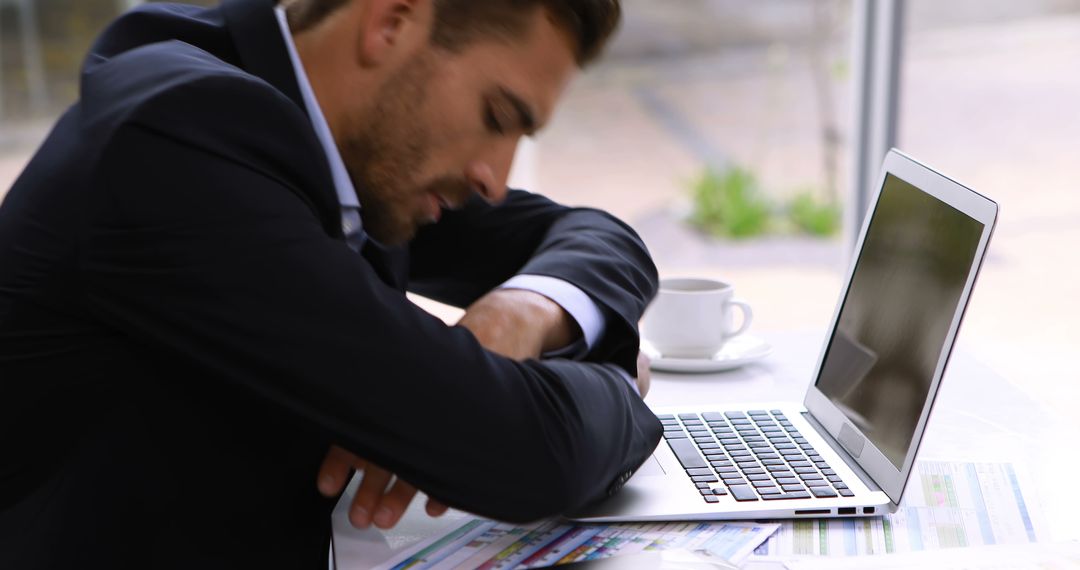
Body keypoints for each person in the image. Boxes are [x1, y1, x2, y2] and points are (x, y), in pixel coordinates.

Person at [0, 0, 662, 567]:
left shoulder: (339, 141)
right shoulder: (180, 145)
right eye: (496, 115)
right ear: (391, 22)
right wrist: (619, 387)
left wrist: (522, 310)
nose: (496, 174)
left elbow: (599, 238)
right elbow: (525, 453)